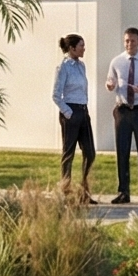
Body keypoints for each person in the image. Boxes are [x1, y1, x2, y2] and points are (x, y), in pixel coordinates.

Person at [104, 27, 138, 205]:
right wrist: (110, 85)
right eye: (126, 41)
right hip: (122, 110)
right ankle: (123, 191)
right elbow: (110, 81)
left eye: (132, 41)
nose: (129, 44)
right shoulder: (117, 61)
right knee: (122, 151)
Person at [53, 34, 95, 197]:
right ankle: (65, 188)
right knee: (68, 152)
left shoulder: (81, 66)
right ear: (72, 48)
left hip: (83, 111)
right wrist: (68, 113)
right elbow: (56, 95)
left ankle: (84, 190)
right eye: (81, 46)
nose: (84, 49)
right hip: (70, 111)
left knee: (90, 152)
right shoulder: (63, 67)